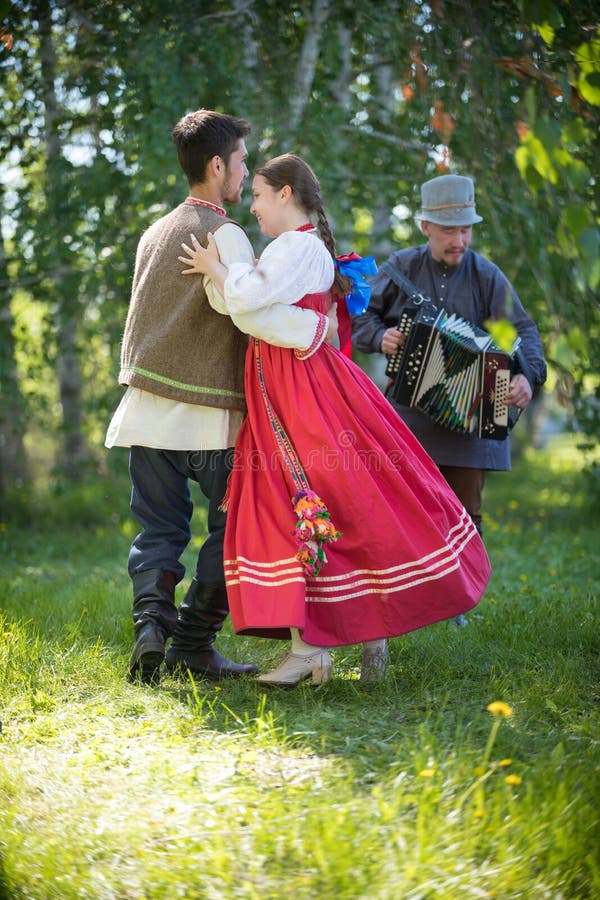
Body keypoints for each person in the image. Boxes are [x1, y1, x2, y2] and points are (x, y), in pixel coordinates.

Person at [177, 154, 492, 687]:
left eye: (257, 194)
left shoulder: (297, 246)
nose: (251, 206)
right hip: (283, 384)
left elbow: (249, 304)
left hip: (302, 388)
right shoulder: (293, 247)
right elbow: (256, 308)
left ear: (284, 194)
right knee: (301, 501)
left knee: (321, 497)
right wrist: (303, 321)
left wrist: (220, 272)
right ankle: (313, 647)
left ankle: (328, 643)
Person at [105, 111, 333, 684]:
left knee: (157, 532)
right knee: (235, 528)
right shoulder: (224, 233)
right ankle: (192, 645)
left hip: (144, 411)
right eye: (241, 162)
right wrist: (315, 332)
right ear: (216, 166)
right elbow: (248, 312)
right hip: (209, 417)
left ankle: (150, 634)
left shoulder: (154, 232)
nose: (246, 172)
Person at [352, 175, 546, 621]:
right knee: (407, 505)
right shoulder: (401, 268)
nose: (459, 240)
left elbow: (524, 332)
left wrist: (527, 379)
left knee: (466, 511)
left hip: (474, 414)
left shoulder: (487, 276)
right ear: (425, 227)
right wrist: (381, 337)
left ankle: (459, 599)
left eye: (466, 230)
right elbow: (359, 313)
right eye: (449, 231)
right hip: (409, 412)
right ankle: (409, 595)